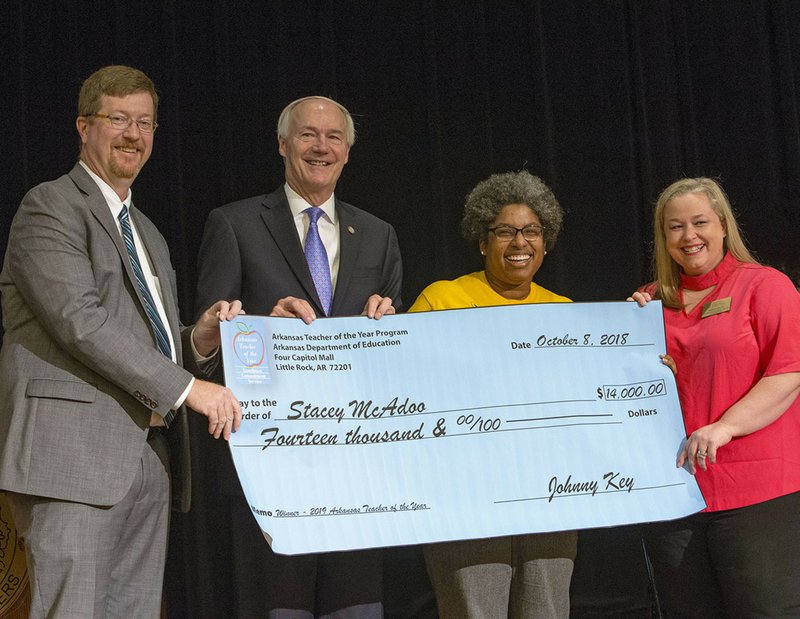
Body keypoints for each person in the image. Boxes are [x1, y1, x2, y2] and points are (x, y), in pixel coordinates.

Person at [0, 65, 243, 618]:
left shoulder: (148, 232)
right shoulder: (50, 206)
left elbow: (145, 343)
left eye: (145, 123)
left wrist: (196, 341)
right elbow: (79, 322)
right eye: (118, 119)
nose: (134, 134)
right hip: (73, 461)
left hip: (150, 457)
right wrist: (188, 389)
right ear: (83, 127)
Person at [192, 95, 402, 617]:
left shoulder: (378, 235)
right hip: (271, 471)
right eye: (308, 134)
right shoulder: (234, 224)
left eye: (334, 137)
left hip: (358, 470)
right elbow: (207, 340)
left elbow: (395, 357)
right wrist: (261, 327)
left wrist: (393, 330)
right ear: (284, 143)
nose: (321, 147)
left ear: (348, 152)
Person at [408, 170, 577, 618]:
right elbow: (405, 386)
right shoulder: (442, 299)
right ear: (483, 241)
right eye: (505, 231)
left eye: (531, 231)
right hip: (465, 495)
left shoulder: (565, 312)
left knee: (548, 610)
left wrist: (643, 366)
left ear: (546, 241)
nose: (519, 242)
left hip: (550, 495)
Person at [630, 177, 800, 617]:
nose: (689, 236)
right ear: (662, 237)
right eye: (675, 227)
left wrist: (726, 426)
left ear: (723, 226)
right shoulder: (648, 303)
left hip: (757, 492)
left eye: (700, 222)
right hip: (675, 494)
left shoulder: (765, 286)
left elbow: (788, 372)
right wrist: (626, 331)